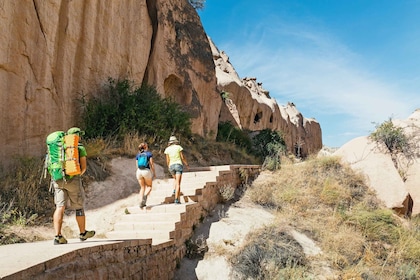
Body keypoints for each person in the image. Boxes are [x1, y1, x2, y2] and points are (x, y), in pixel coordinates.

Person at [53, 127, 95, 245]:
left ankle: (58, 236)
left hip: (57, 179)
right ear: (77, 136)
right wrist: (75, 175)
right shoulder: (79, 147)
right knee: (78, 206)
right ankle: (82, 233)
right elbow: (83, 167)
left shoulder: (58, 147)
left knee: (60, 206)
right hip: (73, 180)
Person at [164, 136, 189, 204]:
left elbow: (167, 160)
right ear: (175, 141)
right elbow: (182, 157)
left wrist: (169, 167)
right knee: (178, 183)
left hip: (171, 166)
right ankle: (176, 199)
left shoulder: (167, 149)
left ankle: (174, 190)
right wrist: (186, 164)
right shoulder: (178, 147)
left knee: (175, 179)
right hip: (178, 164)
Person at [135, 142, 156, 208]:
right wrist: (154, 173)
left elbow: (136, 165)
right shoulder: (149, 154)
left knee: (142, 187)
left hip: (139, 171)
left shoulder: (138, 155)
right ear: (146, 147)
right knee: (149, 186)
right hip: (146, 171)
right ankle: (145, 196)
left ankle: (140, 201)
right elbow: (151, 164)